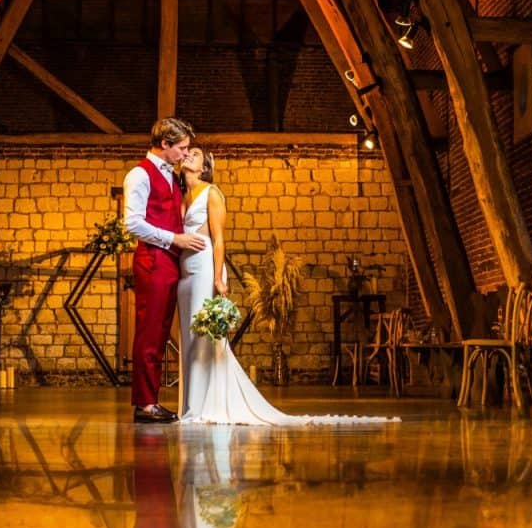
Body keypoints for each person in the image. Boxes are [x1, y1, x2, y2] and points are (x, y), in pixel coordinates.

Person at [174, 147, 394, 427]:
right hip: (185, 273)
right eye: (187, 152)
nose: (188, 155)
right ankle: (191, 405)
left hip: (205, 268)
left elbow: (219, 239)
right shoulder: (181, 195)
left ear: (205, 167)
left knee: (204, 336)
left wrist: (218, 278)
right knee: (188, 338)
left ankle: (208, 405)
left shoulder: (212, 193)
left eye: (195, 153)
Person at [122, 116, 206, 423]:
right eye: (181, 148)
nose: (185, 154)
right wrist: (175, 238)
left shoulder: (171, 176)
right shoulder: (140, 175)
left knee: (159, 333)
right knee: (149, 332)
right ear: (165, 144)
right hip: (154, 260)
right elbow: (132, 223)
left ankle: (150, 400)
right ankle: (145, 404)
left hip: (169, 262)